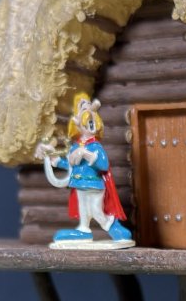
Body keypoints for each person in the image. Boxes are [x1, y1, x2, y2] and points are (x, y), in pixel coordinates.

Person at [38, 93, 134, 248]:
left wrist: (86, 154)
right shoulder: (76, 146)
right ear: (77, 122)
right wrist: (55, 160)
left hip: (94, 185)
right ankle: (84, 230)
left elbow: (103, 165)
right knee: (83, 211)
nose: (91, 121)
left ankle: (112, 227)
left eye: (92, 120)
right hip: (79, 184)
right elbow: (70, 165)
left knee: (96, 210)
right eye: (84, 111)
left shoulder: (95, 146)